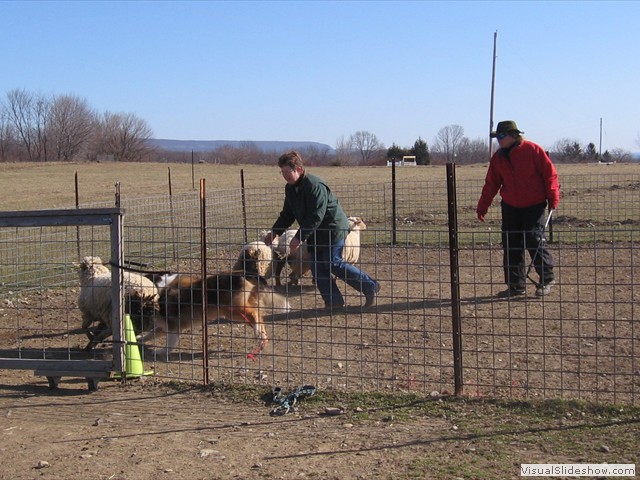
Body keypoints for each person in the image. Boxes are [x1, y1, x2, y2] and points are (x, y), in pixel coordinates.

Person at [263, 151, 380, 310]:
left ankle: (370, 286)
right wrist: (275, 232)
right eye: (282, 172)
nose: (284, 175)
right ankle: (334, 302)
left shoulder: (314, 186)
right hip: (316, 233)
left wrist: (299, 237)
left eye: (287, 172)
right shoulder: (291, 189)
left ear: (298, 169)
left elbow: (315, 216)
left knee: (333, 263)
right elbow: (287, 214)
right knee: (318, 267)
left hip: (332, 228)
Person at [476, 120, 560, 297]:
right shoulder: (498, 158)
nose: (499, 140)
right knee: (511, 244)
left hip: (534, 205)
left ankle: (547, 278)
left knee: (534, 239)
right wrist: (483, 206)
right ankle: (516, 285)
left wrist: (553, 196)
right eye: (497, 137)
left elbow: (549, 174)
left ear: (514, 135)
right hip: (510, 206)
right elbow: (491, 184)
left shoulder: (533, 150)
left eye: (501, 136)